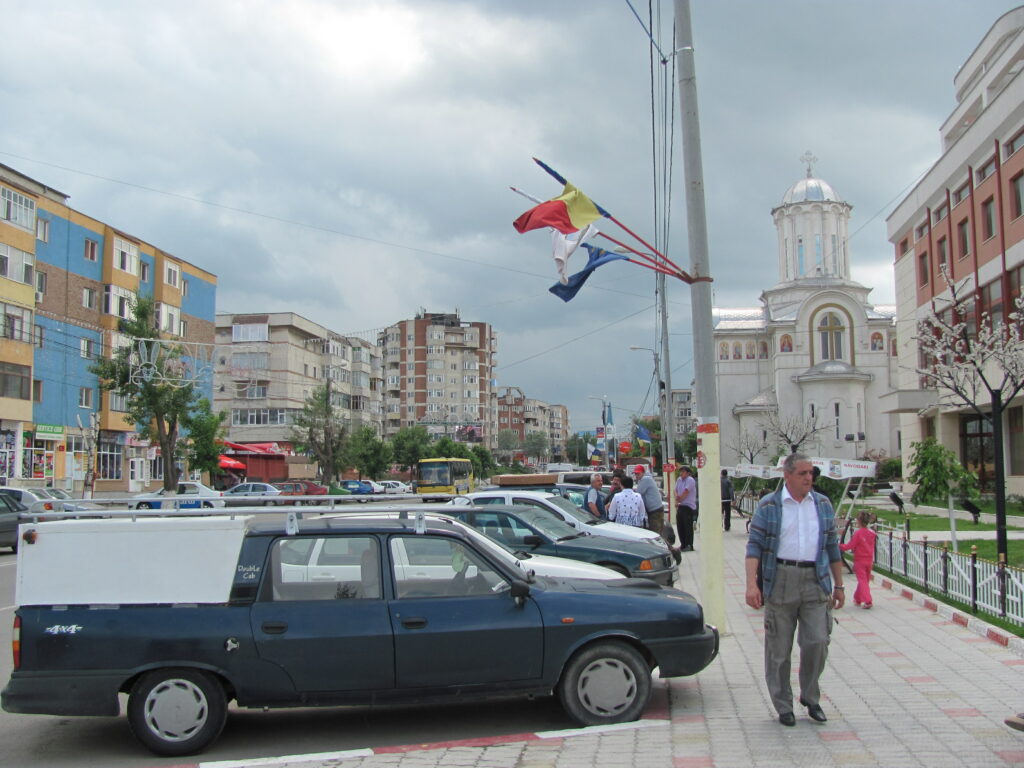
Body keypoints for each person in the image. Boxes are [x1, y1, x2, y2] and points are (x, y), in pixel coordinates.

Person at [745, 452, 845, 727]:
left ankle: (810, 697)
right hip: (780, 580)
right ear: (787, 475)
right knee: (778, 650)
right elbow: (754, 547)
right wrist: (751, 584)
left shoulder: (822, 504)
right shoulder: (770, 506)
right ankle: (783, 705)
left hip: (815, 579)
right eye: (802, 473)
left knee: (817, 641)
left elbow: (832, 547)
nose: (809, 478)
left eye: (811, 473)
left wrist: (839, 585)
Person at [840, 510, 877, 609]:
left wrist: (839, 546)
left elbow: (850, 546)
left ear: (858, 521)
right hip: (869, 560)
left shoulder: (858, 533)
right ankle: (858, 598)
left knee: (862, 580)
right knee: (865, 580)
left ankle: (868, 600)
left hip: (860, 560)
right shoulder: (872, 533)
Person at [633, 465, 665, 535]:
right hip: (655, 510)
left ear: (643, 473)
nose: (636, 475)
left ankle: (661, 546)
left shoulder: (646, 479)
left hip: (655, 511)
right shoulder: (645, 479)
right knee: (658, 532)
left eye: (638, 473)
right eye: (635, 473)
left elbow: (638, 493)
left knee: (655, 533)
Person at [675, 466, 698, 552]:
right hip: (681, 505)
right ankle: (683, 544)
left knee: (687, 526)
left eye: (683, 472)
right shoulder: (679, 480)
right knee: (680, 526)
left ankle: (689, 544)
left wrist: (680, 499)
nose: (681, 473)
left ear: (688, 473)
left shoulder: (690, 480)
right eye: (680, 472)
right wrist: (677, 497)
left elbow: (686, 491)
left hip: (688, 506)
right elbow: (675, 490)